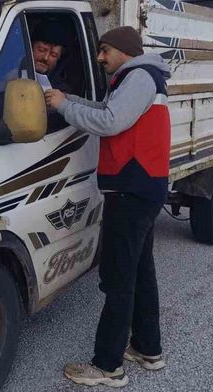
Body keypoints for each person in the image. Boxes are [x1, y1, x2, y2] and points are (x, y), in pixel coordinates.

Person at [45, 26, 171, 388]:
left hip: (132, 190)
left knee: (118, 277)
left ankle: (108, 366)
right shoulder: (138, 78)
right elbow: (106, 109)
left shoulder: (138, 77)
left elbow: (111, 122)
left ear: (124, 50)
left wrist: (64, 107)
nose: (100, 58)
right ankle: (148, 349)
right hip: (141, 187)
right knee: (140, 271)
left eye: (105, 51)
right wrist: (70, 99)